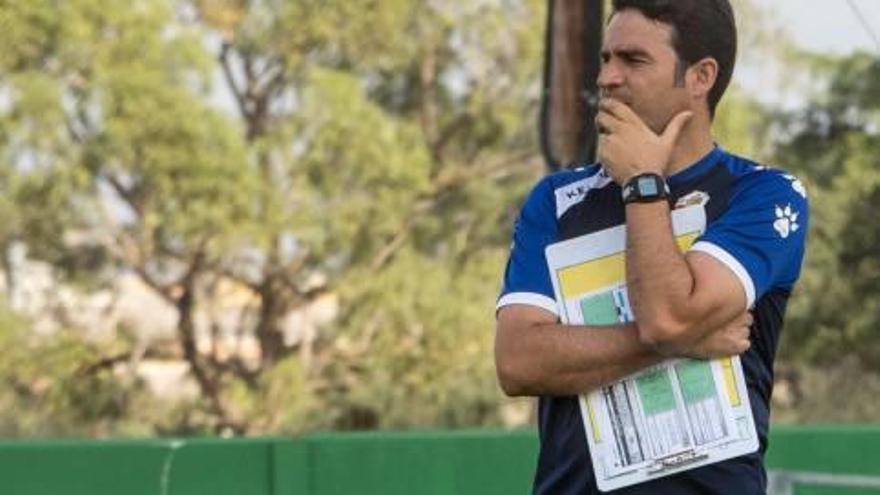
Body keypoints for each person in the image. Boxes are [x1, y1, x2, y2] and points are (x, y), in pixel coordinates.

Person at [494, 0, 809, 493]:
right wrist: (681, 341)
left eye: (633, 60)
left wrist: (643, 184)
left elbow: (668, 316)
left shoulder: (764, 194)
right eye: (605, 58)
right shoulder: (554, 201)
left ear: (701, 76)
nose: (607, 78)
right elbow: (517, 361)